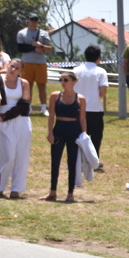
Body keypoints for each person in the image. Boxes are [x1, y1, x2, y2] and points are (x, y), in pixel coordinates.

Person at [43, 71, 86, 203]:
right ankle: (52, 192)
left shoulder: (81, 99)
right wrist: (50, 133)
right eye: (61, 80)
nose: (63, 82)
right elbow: (51, 116)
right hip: (59, 129)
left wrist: (85, 137)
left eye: (66, 80)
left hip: (74, 130)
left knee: (72, 162)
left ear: (74, 81)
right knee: (55, 161)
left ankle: (70, 193)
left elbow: (82, 119)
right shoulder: (55, 96)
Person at [0, 59, 32, 199]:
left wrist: (5, 116)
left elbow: (24, 104)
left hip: (21, 121)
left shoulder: (24, 83)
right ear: (7, 66)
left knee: (21, 156)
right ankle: (0, 187)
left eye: (16, 68)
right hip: (3, 123)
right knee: (8, 155)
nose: (13, 69)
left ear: (20, 71)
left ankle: (16, 189)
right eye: (11, 66)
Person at [72, 46, 109, 161]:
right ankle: (93, 159)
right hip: (94, 109)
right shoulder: (101, 72)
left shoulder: (75, 70)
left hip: (77, 108)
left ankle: (78, 158)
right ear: (98, 57)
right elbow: (102, 92)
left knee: (79, 135)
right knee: (96, 137)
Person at [15, 14, 51, 115]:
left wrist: (41, 46)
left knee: (42, 86)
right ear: (27, 20)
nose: (34, 21)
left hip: (41, 63)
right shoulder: (21, 33)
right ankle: (28, 107)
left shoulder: (44, 33)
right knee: (27, 85)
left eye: (36, 19)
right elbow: (21, 48)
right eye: (32, 19)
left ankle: (44, 109)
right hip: (27, 62)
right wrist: (34, 48)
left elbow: (49, 48)